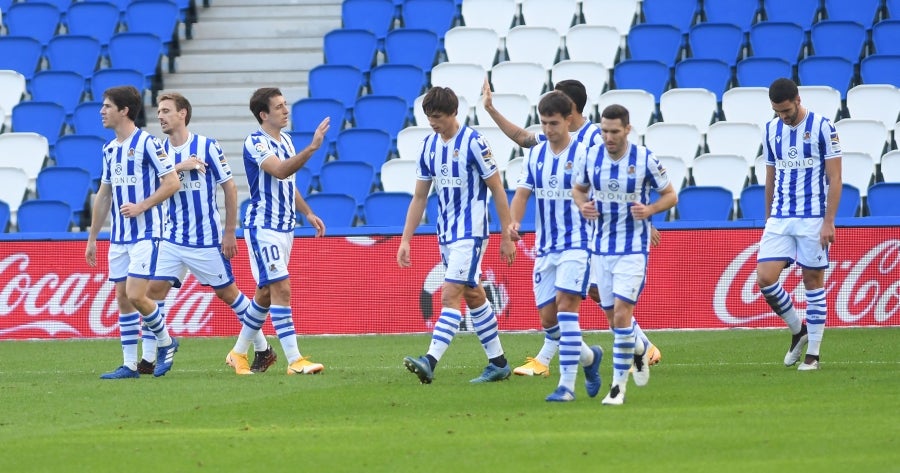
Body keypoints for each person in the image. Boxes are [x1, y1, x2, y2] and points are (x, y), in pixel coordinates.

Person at [481, 78, 662, 378]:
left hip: (591, 233)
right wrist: (491, 110)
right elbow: (524, 139)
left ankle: (554, 358)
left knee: (588, 296)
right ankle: (641, 346)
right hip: (558, 238)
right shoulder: (550, 141)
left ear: (570, 109)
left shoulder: (593, 138)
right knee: (588, 295)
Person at [138, 92, 275, 375]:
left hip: (205, 240)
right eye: (159, 112)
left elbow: (230, 188)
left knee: (230, 295)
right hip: (172, 239)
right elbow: (149, 185)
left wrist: (229, 232)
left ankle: (263, 348)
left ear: (182, 114)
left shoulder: (208, 146)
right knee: (151, 293)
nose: (160, 116)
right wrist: (179, 167)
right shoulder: (160, 151)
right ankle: (149, 359)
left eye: (166, 111)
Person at [398, 86, 517, 384]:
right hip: (446, 233)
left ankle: (430, 360)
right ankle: (499, 362)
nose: (433, 122)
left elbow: (497, 188)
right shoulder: (428, 146)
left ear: (453, 113)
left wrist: (506, 233)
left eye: (437, 116)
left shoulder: (475, 143)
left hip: (471, 232)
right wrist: (405, 238)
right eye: (428, 117)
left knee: (450, 295)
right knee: (474, 295)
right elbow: (420, 197)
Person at [572, 104, 677, 405]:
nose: (608, 137)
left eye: (614, 131)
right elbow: (578, 190)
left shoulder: (644, 159)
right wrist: (583, 205)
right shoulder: (590, 156)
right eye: (604, 131)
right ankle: (641, 351)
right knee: (613, 319)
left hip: (632, 249)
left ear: (627, 130)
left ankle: (617, 388)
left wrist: (651, 210)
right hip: (600, 249)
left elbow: (670, 195)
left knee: (621, 315)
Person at [224, 87, 330, 376]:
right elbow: (280, 171)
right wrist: (313, 148)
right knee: (281, 287)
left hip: (286, 228)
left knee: (266, 295)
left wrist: (307, 212)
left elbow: (288, 182)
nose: (286, 110)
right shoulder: (256, 142)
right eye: (280, 106)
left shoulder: (287, 140)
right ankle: (295, 361)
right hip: (264, 227)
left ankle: (237, 353)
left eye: (286, 105)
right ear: (264, 114)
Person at [507, 91, 602, 402]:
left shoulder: (587, 154)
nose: (548, 130)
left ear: (568, 121)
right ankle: (590, 358)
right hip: (545, 248)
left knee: (566, 311)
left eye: (554, 123)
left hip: (577, 244)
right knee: (548, 320)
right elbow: (522, 194)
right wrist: (513, 224)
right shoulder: (535, 155)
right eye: (544, 123)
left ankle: (566, 386)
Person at [85, 85, 181, 379]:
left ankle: (166, 342)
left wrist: (142, 206)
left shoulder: (149, 144)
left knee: (136, 294)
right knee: (123, 298)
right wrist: (92, 237)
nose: (102, 111)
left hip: (147, 233)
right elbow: (104, 195)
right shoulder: (109, 149)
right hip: (120, 237)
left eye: (107, 106)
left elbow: (172, 182)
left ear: (124, 111)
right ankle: (129, 365)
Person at [757, 78, 842, 371]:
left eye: (787, 111)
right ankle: (798, 330)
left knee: (812, 283)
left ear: (797, 99)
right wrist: (768, 217)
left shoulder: (823, 127)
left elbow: (835, 178)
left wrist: (828, 221)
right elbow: (770, 177)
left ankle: (813, 354)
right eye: (778, 111)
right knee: (765, 278)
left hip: (812, 216)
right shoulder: (770, 130)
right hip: (780, 217)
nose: (783, 116)